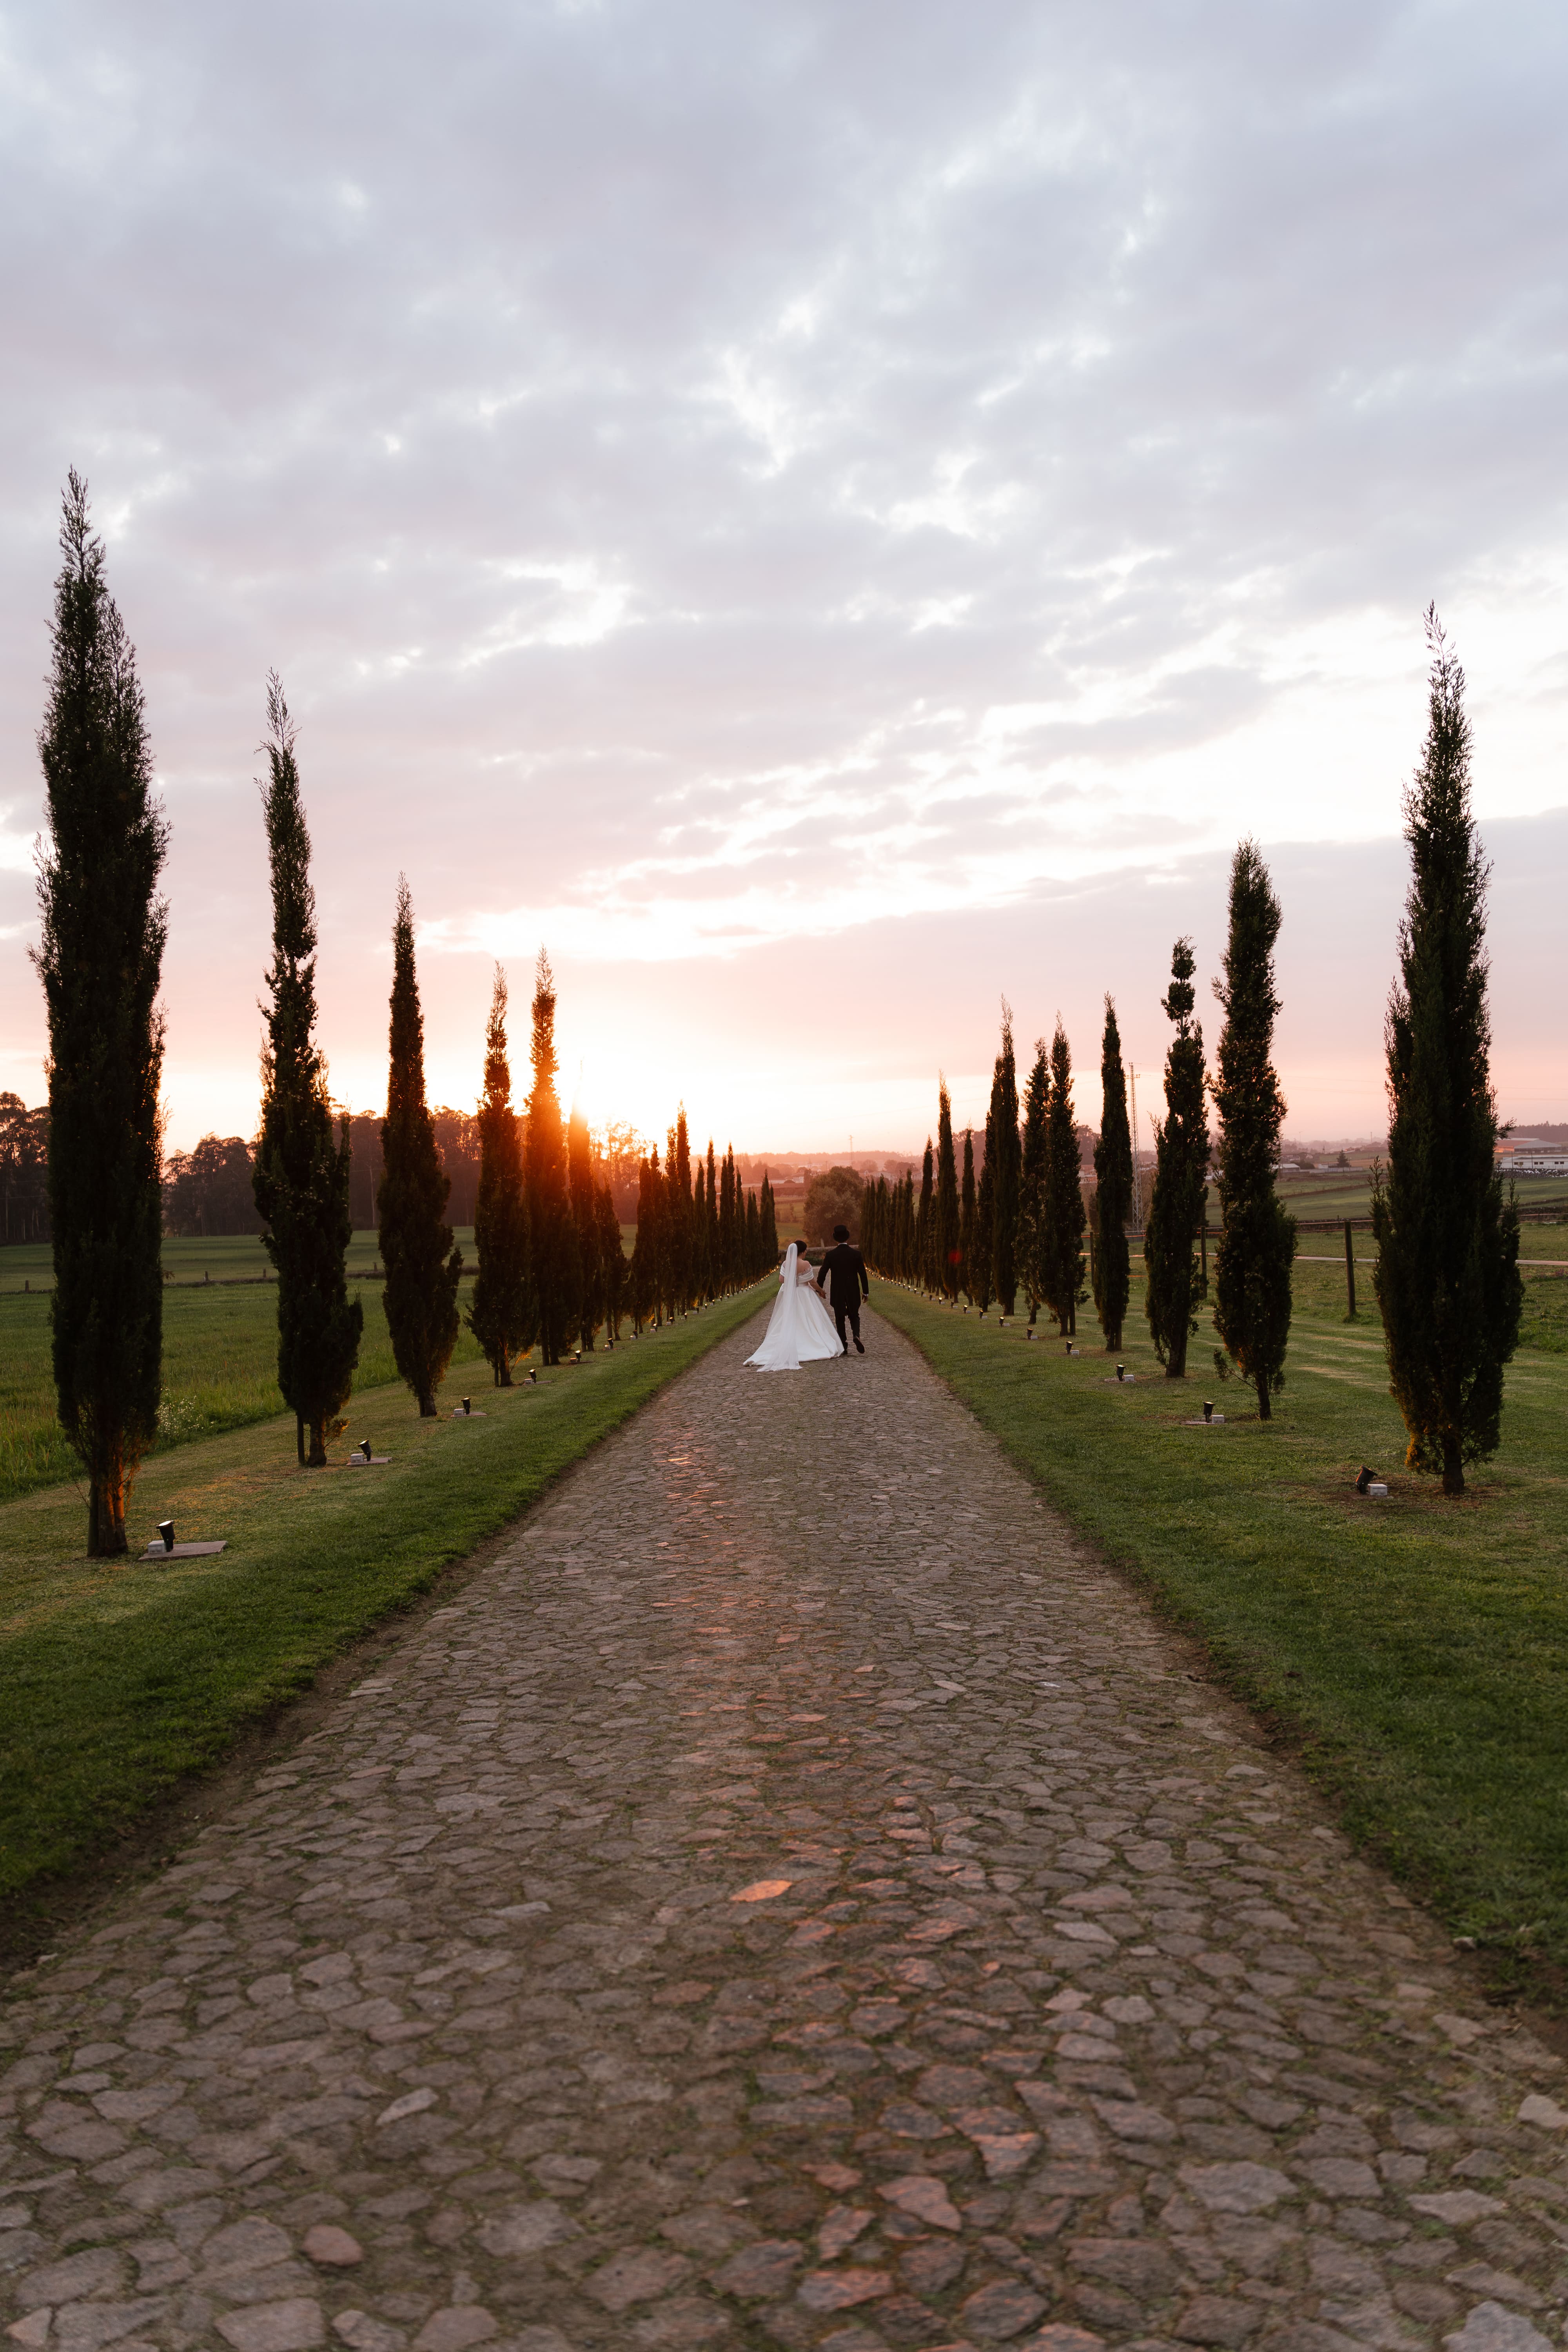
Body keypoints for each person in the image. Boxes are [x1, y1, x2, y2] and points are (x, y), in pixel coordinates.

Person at [745, 1241, 842, 1371]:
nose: (806, 1253)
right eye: (806, 1250)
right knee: (808, 1318)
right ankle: (812, 1344)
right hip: (804, 1293)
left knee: (788, 1318)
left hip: (789, 1293)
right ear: (802, 1252)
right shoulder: (806, 1264)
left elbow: (781, 1280)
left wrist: (792, 1280)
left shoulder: (786, 1263)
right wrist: (821, 1291)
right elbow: (812, 1282)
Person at [816, 1222, 869, 1355]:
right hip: (853, 1290)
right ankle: (856, 1335)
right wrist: (866, 1291)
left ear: (835, 1238)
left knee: (839, 1318)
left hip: (837, 1291)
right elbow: (863, 1274)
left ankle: (843, 1345)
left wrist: (819, 1288)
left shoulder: (831, 1255)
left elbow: (823, 1272)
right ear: (848, 1237)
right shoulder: (856, 1254)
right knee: (855, 1315)